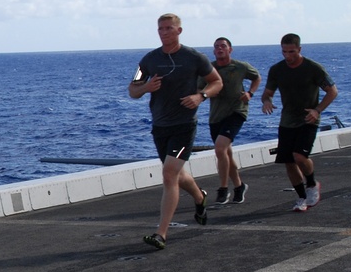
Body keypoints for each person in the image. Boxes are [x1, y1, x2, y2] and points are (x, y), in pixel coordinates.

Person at [129, 13, 222, 250]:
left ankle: (161, 233)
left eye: (169, 28)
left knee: (169, 174)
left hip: (184, 125)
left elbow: (216, 82)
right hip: (160, 126)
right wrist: (146, 87)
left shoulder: (194, 58)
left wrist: (200, 96)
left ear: (179, 31)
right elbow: (133, 89)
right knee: (177, 174)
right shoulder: (149, 60)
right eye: (160, 28)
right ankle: (200, 197)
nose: (164, 32)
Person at [260, 33, 337, 212]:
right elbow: (267, 93)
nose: (288, 56)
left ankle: (312, 184)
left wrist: (317, 110)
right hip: (287, 120)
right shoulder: (276, 70)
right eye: (284, 52)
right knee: (289, 161)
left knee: (300, 156)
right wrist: (266, 101)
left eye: (292, 51)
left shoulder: (313, 68)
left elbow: (332, 91)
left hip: (308, 119)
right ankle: (302, 197)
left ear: (299, 49)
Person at [203, 37, 261, 205]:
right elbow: (201, 88)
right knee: (226, 153)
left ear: (230, 49)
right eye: (217, 47)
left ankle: (222, 189)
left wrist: (250, 93)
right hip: (216, 116)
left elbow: (256, 77)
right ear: (214, 51)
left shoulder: (240, 66)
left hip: (237, 111)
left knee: (220, 148)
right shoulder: (209, 69)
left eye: (223, 46)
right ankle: (239, 186)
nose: (220, 49)